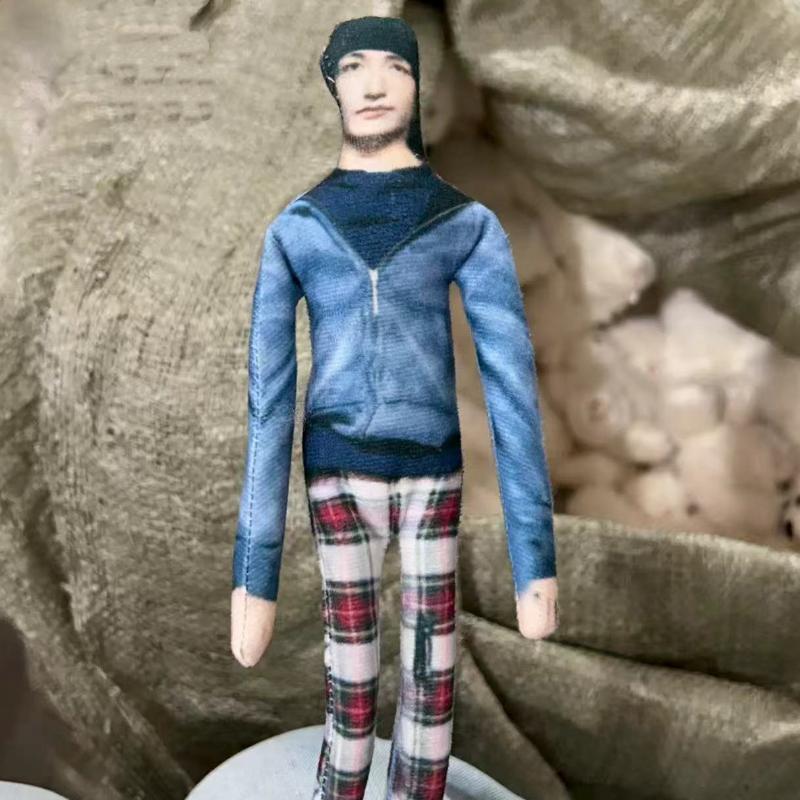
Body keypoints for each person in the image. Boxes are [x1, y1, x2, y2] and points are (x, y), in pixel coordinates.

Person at [230, 15, 559, 800]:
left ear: (418, 84)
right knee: (349, 685)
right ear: (332, 84)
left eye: (394, 67)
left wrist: (534, 559)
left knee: (431, 679)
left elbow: (513, 386)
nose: (374, 84)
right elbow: (268, 402)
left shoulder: (464, 224)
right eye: (354, 67)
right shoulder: (299, 229)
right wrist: (254, 573)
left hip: (432, 473)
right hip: (337, 470)